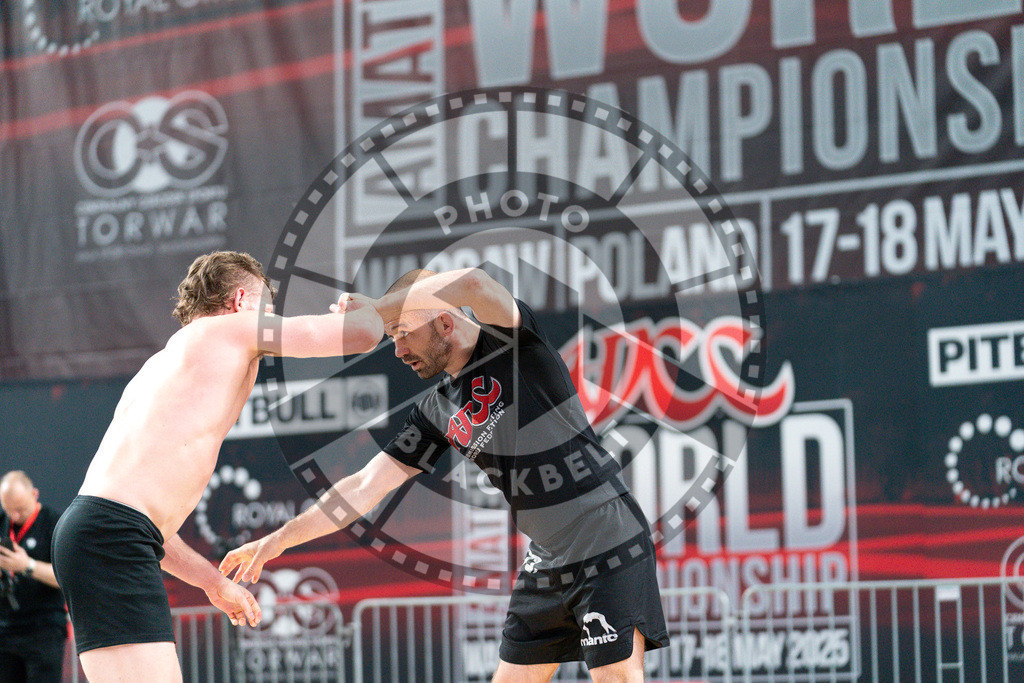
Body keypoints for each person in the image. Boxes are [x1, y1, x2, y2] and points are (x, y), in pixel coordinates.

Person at [220, 267, 669, 682]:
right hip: (548, 557)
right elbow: (363, 486)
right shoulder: (436, 409)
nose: (396, 351)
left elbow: (473, 285)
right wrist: (277, 539)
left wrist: (375, 309)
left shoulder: (512, 341)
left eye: (401, 334)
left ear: (445, 322)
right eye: (390, 338)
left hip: (604, 535)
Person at [50, 251, 385, 683]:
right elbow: (361, 335)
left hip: (99, 531)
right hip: (107, 537)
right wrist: (365, 309)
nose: (272, 323)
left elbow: (146, 524)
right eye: (269, 309)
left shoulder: (161, 367)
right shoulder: (233, 329)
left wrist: (213, 582)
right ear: (242, 300)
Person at [0, 471, 67, 683]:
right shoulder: (3, 521)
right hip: (5, 628)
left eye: (20, 509)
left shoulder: (56, 523)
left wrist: (26, 565)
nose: (15, 517)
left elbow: (65, 578)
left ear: (34, 494)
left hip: (44, 629)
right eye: (9, 510)